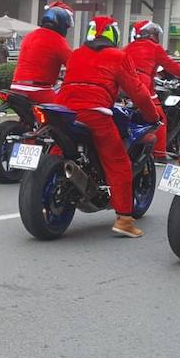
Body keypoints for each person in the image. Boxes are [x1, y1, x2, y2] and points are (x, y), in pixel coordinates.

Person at [55, 16, 159, 238]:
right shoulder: (118, 57)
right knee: (118, 163)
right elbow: (138, 92)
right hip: (95, 114)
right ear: (114, 35)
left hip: (62, 112)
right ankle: (124, 220)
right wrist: (153, 116)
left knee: (57, 148)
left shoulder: (76, 54)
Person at [124, 20, 180, 160]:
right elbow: (171, 65)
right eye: (154, 33)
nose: (156, 36)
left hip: (123, 88)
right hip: (143, 87)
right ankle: (159, 154)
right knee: (160, 119)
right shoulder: (154, 48)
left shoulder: (127, 48)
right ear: (147, 34)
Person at [10, 1, 74, 104]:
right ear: (62, 24)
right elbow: (74, 63)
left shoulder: (29, 36)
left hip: (16, 88)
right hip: (38, 90)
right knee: (64, 108)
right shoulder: (58, 40)